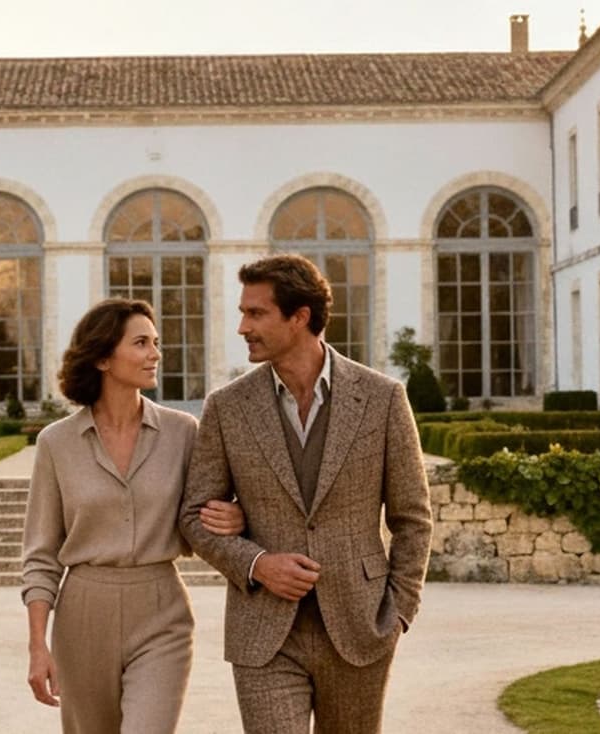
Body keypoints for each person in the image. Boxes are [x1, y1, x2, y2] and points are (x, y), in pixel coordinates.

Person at [178, 254, 433, 734]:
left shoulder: (382, 398)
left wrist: (399, 611)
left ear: (300, 317)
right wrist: (256, 563)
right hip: (264, 632)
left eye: (256, 313)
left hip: (360, 627)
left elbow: (413, 518)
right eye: (243, 312)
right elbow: (194, 516)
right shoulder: (227, 407)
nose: (242, 327)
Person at [22, 298, 246, 733]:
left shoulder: (183, 432)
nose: (155, 354)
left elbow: (206, 510)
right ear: (104, 357)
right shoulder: (56, 443)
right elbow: (41, 554)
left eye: (156, 343)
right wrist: (37, 645)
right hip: (83, 613)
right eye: (141, 343)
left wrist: (235, 517)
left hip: (162, 610)